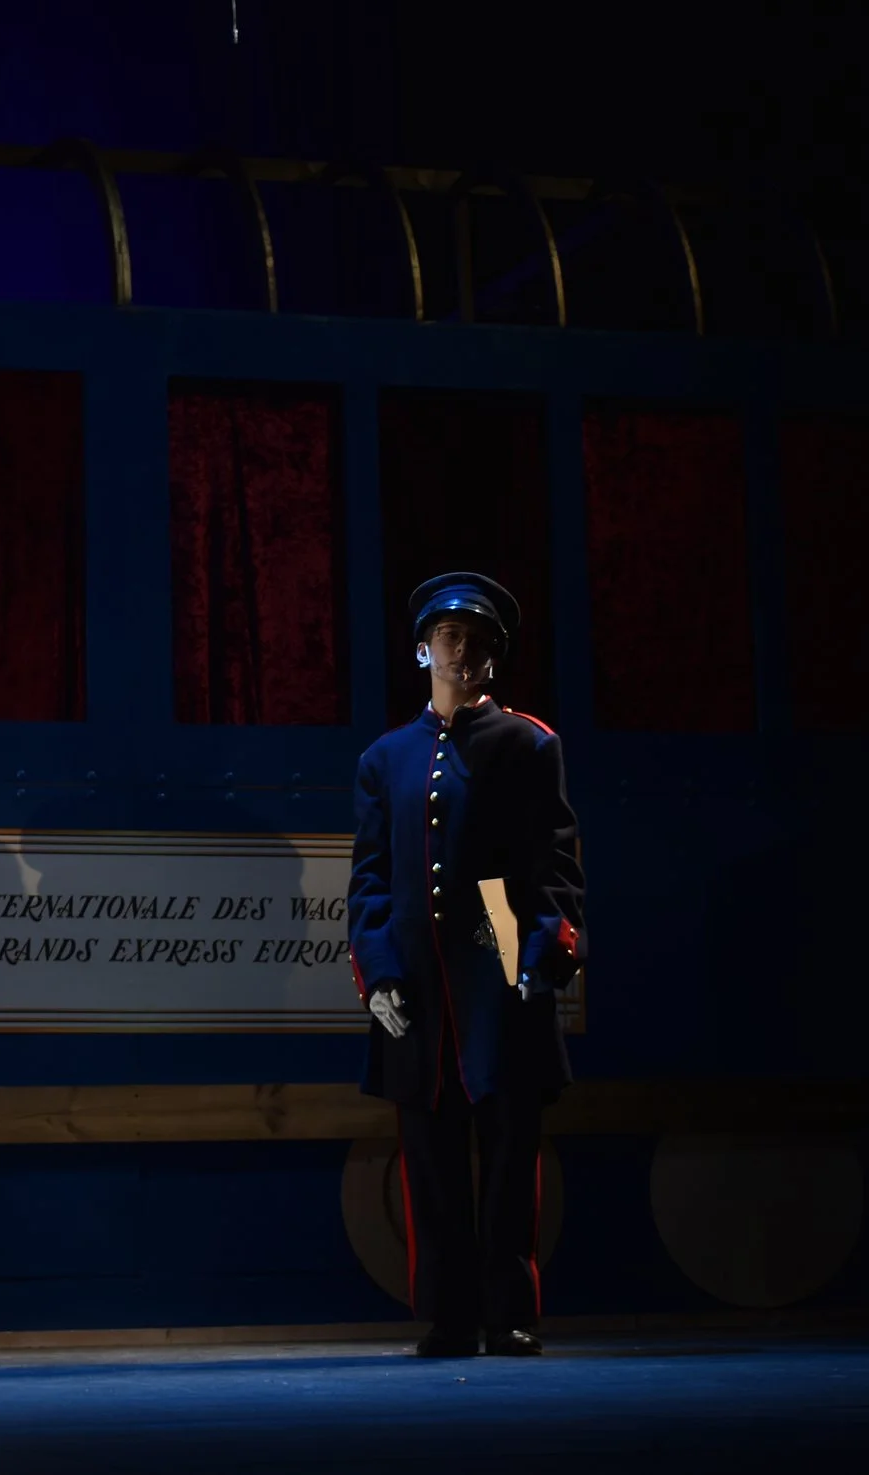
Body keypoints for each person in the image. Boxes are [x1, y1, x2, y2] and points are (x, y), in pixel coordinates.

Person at [347, 571, 586, 1359]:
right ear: (423, 650)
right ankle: (449, 1315)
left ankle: (509, 1311)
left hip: (499, 950)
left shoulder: (527, 742)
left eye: (480, 639)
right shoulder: (386, 757)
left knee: (512, 1154)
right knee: (431, 1161)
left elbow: (553, 863)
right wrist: (380, 973)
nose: (465, 649)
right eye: (450, 635)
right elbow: (371, 879)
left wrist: (543, 953)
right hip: (418, 974)